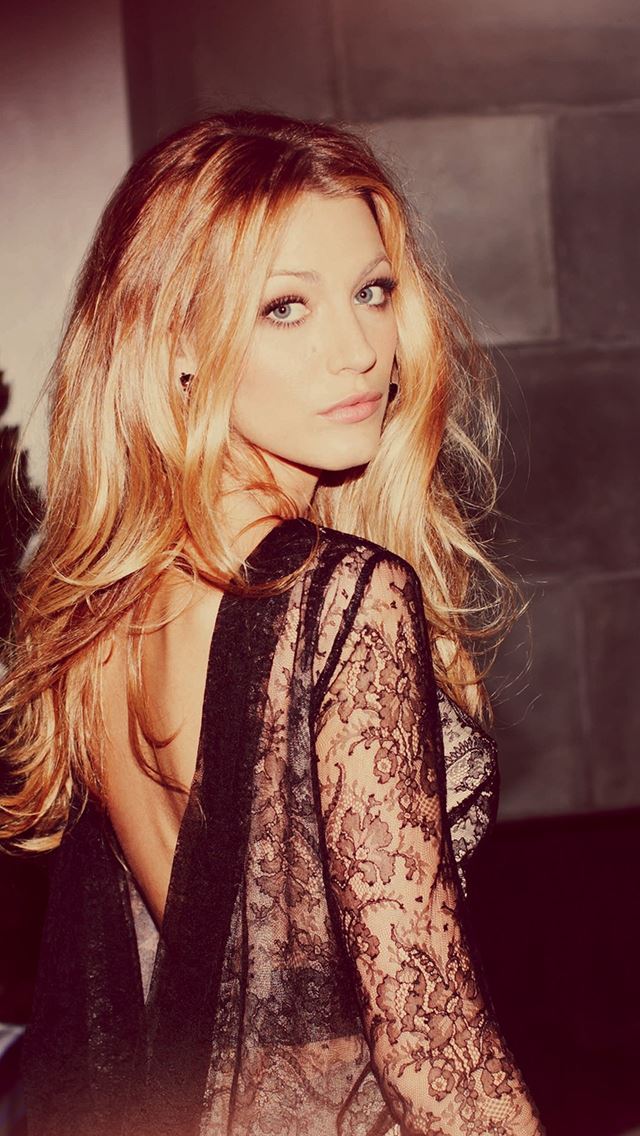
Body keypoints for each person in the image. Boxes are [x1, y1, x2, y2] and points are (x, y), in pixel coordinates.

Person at [0, 110, 543, 1135]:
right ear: (178, 343)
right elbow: (436, 1057)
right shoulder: (339, 597)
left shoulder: (107, 600)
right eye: (284, 307)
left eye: (372, 291)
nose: (358, 349)